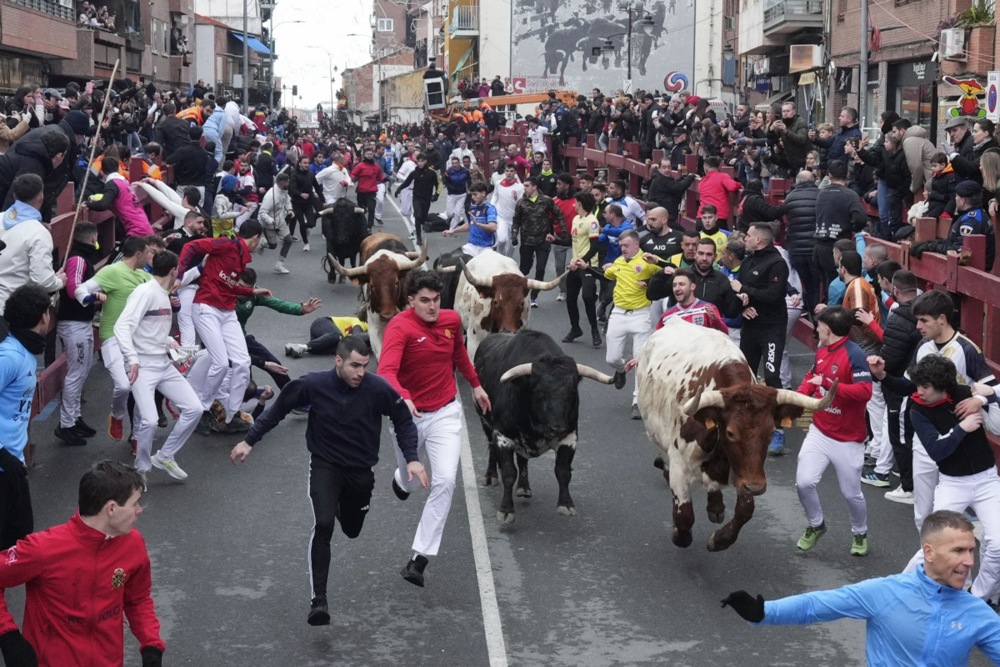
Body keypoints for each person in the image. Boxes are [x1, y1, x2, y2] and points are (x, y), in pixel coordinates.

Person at [231, 335, 427, 625]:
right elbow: (279, 410)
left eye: (365, 366)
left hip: (360, 472)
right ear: (338, 361)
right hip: (325, 465)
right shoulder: (314, 385)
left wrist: (412, 457)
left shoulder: (377, 389)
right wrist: (249, 441)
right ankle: (318, 601)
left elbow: (402, 419)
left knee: (351, 529)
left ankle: (340, 506)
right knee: (323, 524)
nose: (361, 373)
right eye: (355, 366)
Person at [721, 510, 1000, 664]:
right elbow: (817, 605)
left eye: (971, 551)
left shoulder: (977, 612)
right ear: (928, 552)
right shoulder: (886, 593)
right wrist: (764, 611)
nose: (969, 561)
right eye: (959, 551)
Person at [378, 271, 491, 588]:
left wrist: (476, 386)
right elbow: (386, 370)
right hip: (408, 417)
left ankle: (419, 559)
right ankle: (401, 478)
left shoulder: (451, 320)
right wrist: (404, 397)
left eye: (436, 300)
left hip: (445, 412)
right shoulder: (399, 327)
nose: (431, 306)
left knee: (444, 481)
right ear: (410, 301)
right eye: (424, 301)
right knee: (412, 483)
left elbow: (458, 355)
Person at [0, 460, 165, 667]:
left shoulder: (133, 543)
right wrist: (8, 637)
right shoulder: (43, 549)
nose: (139, 510)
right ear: (111, 508)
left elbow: (138, 599)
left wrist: (151, 644)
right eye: (134, 503)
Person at [868, 289, 997, 534]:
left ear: (942, 319)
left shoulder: (967, 349)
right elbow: (909, 387)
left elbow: (991, 388)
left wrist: (978, 399)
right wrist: (882, 376)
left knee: (951, 522)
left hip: (960, 444)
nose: (918, 326)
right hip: (926, 440)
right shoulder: (923, 346)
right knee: (923, 515)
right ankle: (930, 565)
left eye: (924, 320)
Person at [898, 355, 1000, 604]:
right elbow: (936, 450)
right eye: (918, 385)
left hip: (987, 481)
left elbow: (997, 427)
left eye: (924, 387)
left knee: (997, 544)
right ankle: (898, 591)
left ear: (944, 388)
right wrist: (961, 428)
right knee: (935, 545)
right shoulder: (917, 409)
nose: (919, 391)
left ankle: (976, 599)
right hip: (952, 483)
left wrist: (985, 398)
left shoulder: (966, 392)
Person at [114, 250, 203, 485]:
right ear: (174, 270)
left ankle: (165, 456)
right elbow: (122, 327)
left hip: (163, 364)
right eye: (178, 271)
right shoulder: (144, 292)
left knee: (195, 408)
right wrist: (132, 359)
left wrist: (169, 342)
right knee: (150, 421)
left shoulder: (164, 294)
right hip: (142, 367)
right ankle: (141, 469)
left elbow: (150, 329)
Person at [792, 306, 873, 556]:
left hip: (848, 438)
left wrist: (829, 386)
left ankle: (860, 533)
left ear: (827, 329)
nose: (816, 329)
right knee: (804, 483)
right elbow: (812, 376)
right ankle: (816, 525)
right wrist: (798, 397)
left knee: (851, 494)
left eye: (818, 326)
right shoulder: (822, 349)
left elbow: (865, 392)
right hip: (819, 430)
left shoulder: (855, 354)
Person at [179, 219, 271, 433]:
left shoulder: (241, 259)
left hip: (226, 311)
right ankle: (202, 407)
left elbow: (229, 287)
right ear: (256, 237)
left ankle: (232, 412)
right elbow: (190, 246)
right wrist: (181, 274)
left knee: (242, 361)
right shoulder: (226, 245)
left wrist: (252, 292)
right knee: (220, 363)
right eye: (260, 240)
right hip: (206, 307)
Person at [74, 236, 154, 442]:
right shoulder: (112, 271)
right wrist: (92, 298)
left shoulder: (145, 277)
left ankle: (136, 437)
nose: (149, 256)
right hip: (112, 336)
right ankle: (117, 416)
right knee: (124, 385)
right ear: (138, 254)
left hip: (138, 340)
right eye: (147, 253)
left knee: (140, 390)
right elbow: (80, 289)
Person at [732, 223, 791, 453]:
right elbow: (738, 295)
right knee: (745, 374)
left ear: (759, 240)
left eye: (748, 235)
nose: (745, 238)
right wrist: (742, 308)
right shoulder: (748, 261)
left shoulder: (777, 263)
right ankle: (747, 420)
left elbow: (774, 294)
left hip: (772, 328)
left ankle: (779, 428)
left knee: (772, 374)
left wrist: (743, 288)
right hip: (750, 326)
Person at [0, 284, 49, 549]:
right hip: (3, 464)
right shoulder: (9, 356)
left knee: (17, 540)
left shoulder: (25, 353)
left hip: (12, 465)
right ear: (43, 316)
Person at [601, 230, 658, 419]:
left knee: (639, 359)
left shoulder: (648, 261)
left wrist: (650, 281)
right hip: (618, 313)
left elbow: (668, 274)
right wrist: (586, 267)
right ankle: (620, 370)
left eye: (626, 245)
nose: (622, 248)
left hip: (641, 315)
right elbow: (606, 275)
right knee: (612, 358)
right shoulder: (618, 262)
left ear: (636, 245)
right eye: (621, 245)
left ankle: (637, 401)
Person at [54, 222, 101, 447]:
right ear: (93, 239)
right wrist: (95, 298)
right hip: (74, 324)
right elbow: (74, 290)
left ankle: (74, 418)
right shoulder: (79, 260)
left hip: (80, 323)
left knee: (81, 372)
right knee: (76, 373)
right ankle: (66, 424)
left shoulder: (79, 258)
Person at [0, 173, 65, 311]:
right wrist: (58, 281)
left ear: (14, 196)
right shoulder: (38, 232)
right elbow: (42, 280)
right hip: (12, 308)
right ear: (41, 198)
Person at [910, 180, 995, 271]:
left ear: (963, 200)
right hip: (969, 269)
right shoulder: (974, 214)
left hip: (972, 272)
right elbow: (952, 242)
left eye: (957, 196)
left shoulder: (971, 221)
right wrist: (930, 244)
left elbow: (959, 250)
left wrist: (931, 247)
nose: (955, 198)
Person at [512, 176, 565, 307]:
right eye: (524, 186)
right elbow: (516, 221)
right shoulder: (520, 203)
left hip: (543, 240)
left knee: (540, 269)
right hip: (526, 241)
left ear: (535, 187)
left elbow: (559, 215)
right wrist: (514, 236)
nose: (524, 188)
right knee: (523, 270)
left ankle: (534, 297)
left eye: (527, 186)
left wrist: (563, 231)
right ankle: (521, 295)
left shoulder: (547, 201)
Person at [564, 191, 603, 347]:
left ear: (580, 204)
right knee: (571, 299)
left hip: (588, 266)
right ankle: (575, 328)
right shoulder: (575, 219)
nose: (574, 205)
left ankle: (594, 330)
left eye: (575, 202)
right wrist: (557, 240)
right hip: (574, 266)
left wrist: (582, 261)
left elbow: (594, 247)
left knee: (587, 297)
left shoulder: (592, 221)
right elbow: (573, 241)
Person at [85, 156, 156, 238]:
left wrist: (87, 203)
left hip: (136, 232)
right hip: (144, 227)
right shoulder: (125, 182)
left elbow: (103, 205)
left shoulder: (112, 183)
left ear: (101, 172)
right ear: (118, 169)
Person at [394, 152, 439, 245]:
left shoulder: (431, 173)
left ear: (426, 161)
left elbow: (438, 184)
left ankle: (422, 222)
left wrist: (436, 195)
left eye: (422, 161)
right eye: (418, 161)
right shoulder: (414, 172)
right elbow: (406, 182)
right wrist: (398, 190)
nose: (420, 163)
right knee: (417, 216)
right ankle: (419, 237)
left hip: (427, 199)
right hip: (417, 198)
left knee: (422, 218)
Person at [443, 181, 496, 257]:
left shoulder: (490, 208)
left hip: (485, 248)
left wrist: (478, 224)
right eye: (472, 195)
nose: (472, 197)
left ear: (483, 194)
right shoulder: (473, 207)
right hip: (470, 247)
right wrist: (453, 230)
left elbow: (493, 227)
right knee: (449, 259)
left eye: (475, 194)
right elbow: (469, 224)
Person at [258, 172, 296, 274]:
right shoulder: (271, 196)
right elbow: (262, 212)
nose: (289, 184)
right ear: (282, 182)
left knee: (288, 240)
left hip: (280, 220)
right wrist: (270, 220)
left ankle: (280, 264)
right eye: (288, 182)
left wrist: (289, 210)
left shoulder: (284, 190)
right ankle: (262, 243)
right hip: (269, 224)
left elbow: (287, 200)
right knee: (273, 246)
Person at [284, 316, 369, 358]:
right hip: (322, 323)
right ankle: (302, 346)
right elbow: (356, 336)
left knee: (341, 350)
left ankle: (295, 348)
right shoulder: (362, 322)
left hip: (324, 339)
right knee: (337, 336)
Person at [490, 162, 524, 258]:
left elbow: (522, 204)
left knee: (512, 245)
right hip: (501, 217)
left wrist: (516, 198)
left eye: (511, 171)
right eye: (507, 171)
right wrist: (492, 207)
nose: (509, 173)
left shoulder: (520, 187)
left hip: (514, 220)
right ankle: (500, 257)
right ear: (504, 172)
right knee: (501, 240)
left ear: (515, 173)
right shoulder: (498, 184)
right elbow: (495, 196)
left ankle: (508, 259)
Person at [351, 147, 385, 232]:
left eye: (371, 154)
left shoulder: (376, 166)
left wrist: (387, 179)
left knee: (371, 209)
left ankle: (369, 226)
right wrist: (351, 180)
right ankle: (361, 224)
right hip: (361, 191)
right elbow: (353, 174)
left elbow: (380, 177)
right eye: (368, 154)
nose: (369, 156)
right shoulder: (360, 165)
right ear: (364, 155)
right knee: (361, 210)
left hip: (372, 191)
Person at [443, 156, 471, 231]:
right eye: (453, 163)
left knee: (458, 212)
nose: (454, 164)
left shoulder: (465, 171)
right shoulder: (448, 171)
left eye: (456, 163)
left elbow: (469, 181)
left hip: (462, 194)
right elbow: (445, 181)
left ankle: (451, 229)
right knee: (449, 213)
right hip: (451, 194)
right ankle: (455, 219)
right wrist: (450, 187)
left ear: (459, 163)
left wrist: (469, 190)